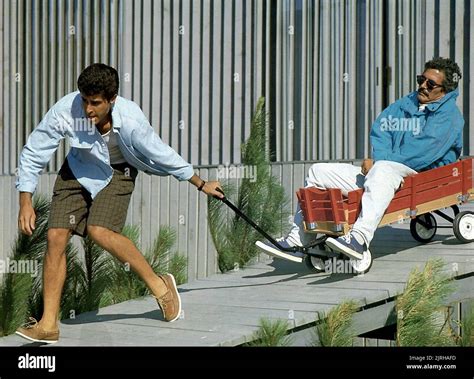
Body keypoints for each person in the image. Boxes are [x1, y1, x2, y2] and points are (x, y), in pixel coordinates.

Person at [15, 63, 224, 343]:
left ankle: (160, 286)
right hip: (79, 168)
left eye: (96, 103)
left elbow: (161, 152)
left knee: (99, 230)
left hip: (119, 170)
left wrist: (200, 183)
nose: (88, 109)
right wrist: (25, 200)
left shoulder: (132, 119)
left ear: (111, 100)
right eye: (85, 101)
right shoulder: (66, 110)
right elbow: (35, 150)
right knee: (55, 236)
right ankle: (48, 324)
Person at [257, 57, 464, 268]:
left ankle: (359, 239)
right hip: (384, 170)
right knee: (318, 171)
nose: (422, 86)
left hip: (420, 176)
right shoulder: (408, 102)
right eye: (421, 79)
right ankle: (299, 238)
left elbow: (421, 153)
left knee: (383, 169)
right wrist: (380, 159)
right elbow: (382, 128)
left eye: (430, 84)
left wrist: (380, 161)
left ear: (445, 90)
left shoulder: (450, 117)